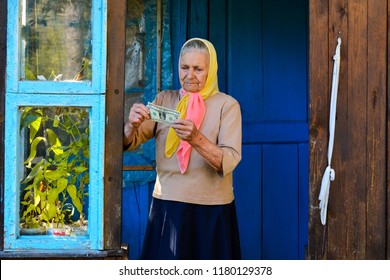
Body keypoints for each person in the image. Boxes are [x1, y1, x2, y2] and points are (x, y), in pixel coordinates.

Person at [123, 38, 242, 260]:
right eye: (184, 67)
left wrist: (196, 138)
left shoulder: (227, 105)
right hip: (167, 206)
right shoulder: (165, 100)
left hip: (212, 210)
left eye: (198, 69)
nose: (190, 75)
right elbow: (129, 141)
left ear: (211, 70)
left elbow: (229, 160)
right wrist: (132, 124)